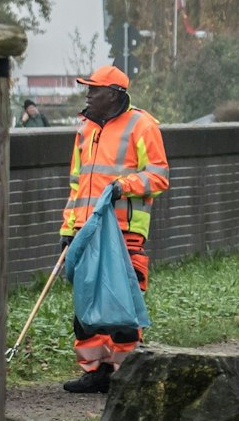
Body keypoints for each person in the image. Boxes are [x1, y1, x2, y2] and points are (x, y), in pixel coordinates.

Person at [59, 65, 169, 394]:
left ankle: (125, 374)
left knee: (121, 307)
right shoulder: (85, 130)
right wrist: (68, 227)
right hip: (86, 231)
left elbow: (158, 176)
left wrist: (124, 186)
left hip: (124, 232)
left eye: (95, 90)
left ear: (114, 94)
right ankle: (95, 372)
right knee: (85, 306)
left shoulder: (142, 125)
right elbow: (77, 185)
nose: (88, 95)